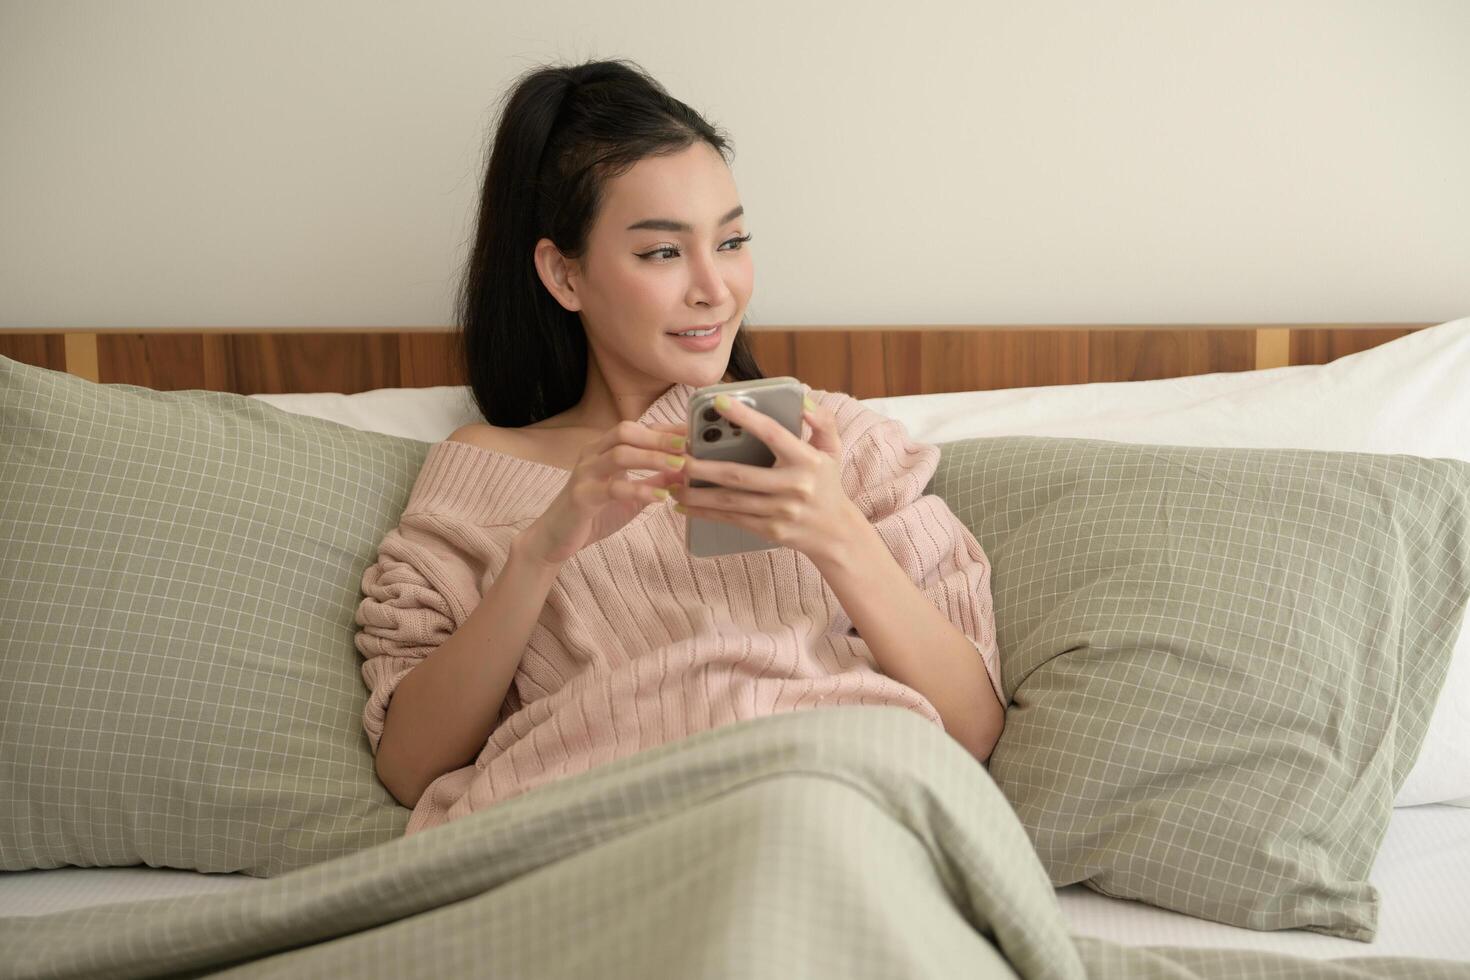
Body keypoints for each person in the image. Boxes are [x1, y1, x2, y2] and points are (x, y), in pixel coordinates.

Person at [354, 58, 1005, 837]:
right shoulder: (487, 468)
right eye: (663, 253)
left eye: (731, 242)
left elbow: (972, 728)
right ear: (564, 274)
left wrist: (834, 532)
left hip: (835, 809)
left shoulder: (836, 445)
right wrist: (543, 551)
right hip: (593, 836)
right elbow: (409, 768)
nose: (714, 288)